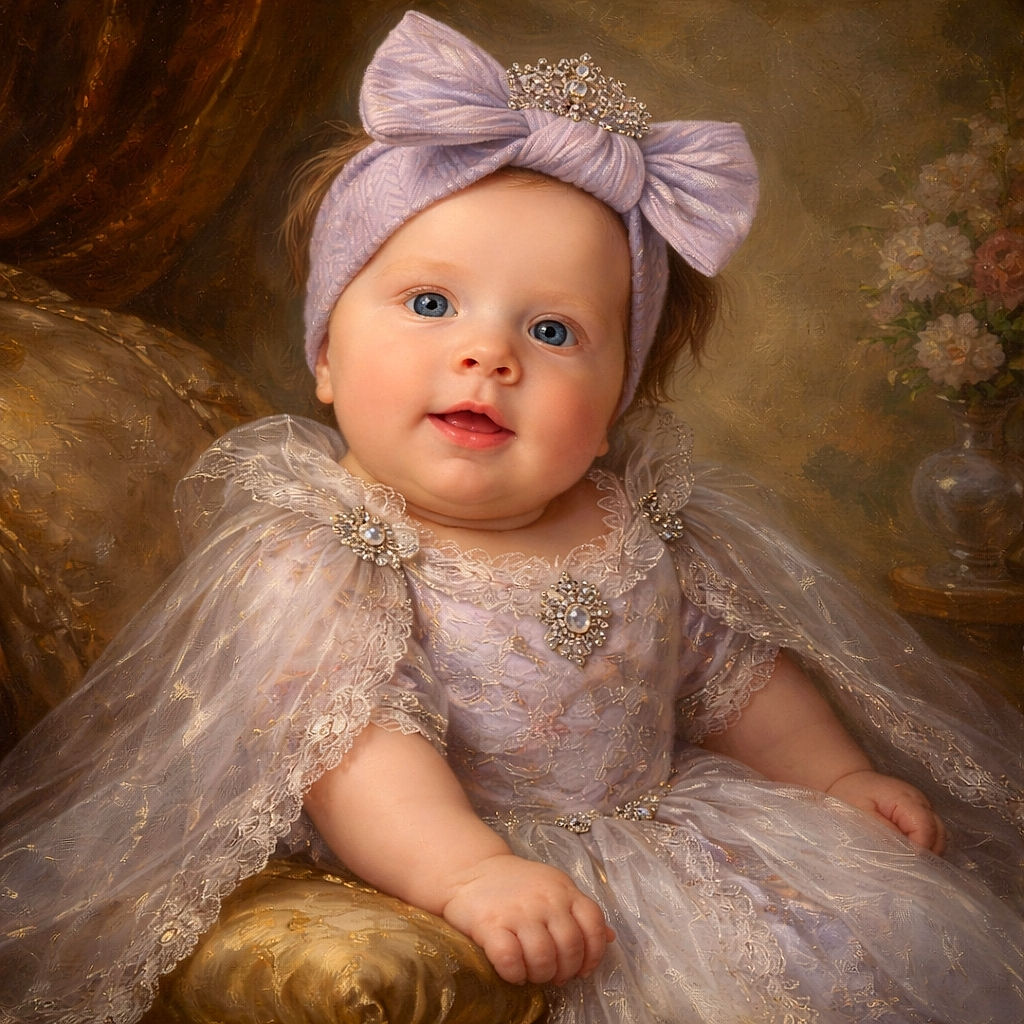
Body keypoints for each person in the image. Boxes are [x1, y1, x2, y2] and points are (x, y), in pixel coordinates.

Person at [1, 11, 1022, 1024]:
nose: (490, 357)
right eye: (431, 305)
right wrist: (472, 873)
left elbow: (730, 672)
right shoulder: (329, 552)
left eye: (551, 328)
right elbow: (354, 752)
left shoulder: (640, 521)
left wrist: (834, 775)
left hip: (694, 841)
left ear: (619, 394)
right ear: (324, 352)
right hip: (484, 856)